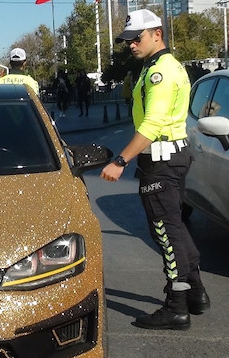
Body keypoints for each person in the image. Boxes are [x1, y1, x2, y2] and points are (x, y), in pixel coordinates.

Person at [101, 9, 210, 330]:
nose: (131, 45)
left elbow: (153, 122)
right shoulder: (155, 67)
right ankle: (196, 292)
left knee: (164, 231)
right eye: (127, 40)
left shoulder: (161, 72)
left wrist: (120, 161)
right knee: (174, 226)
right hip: (168, 156)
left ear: (157, 34)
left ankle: (176, 306)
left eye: (137, 38)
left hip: (162, 158)